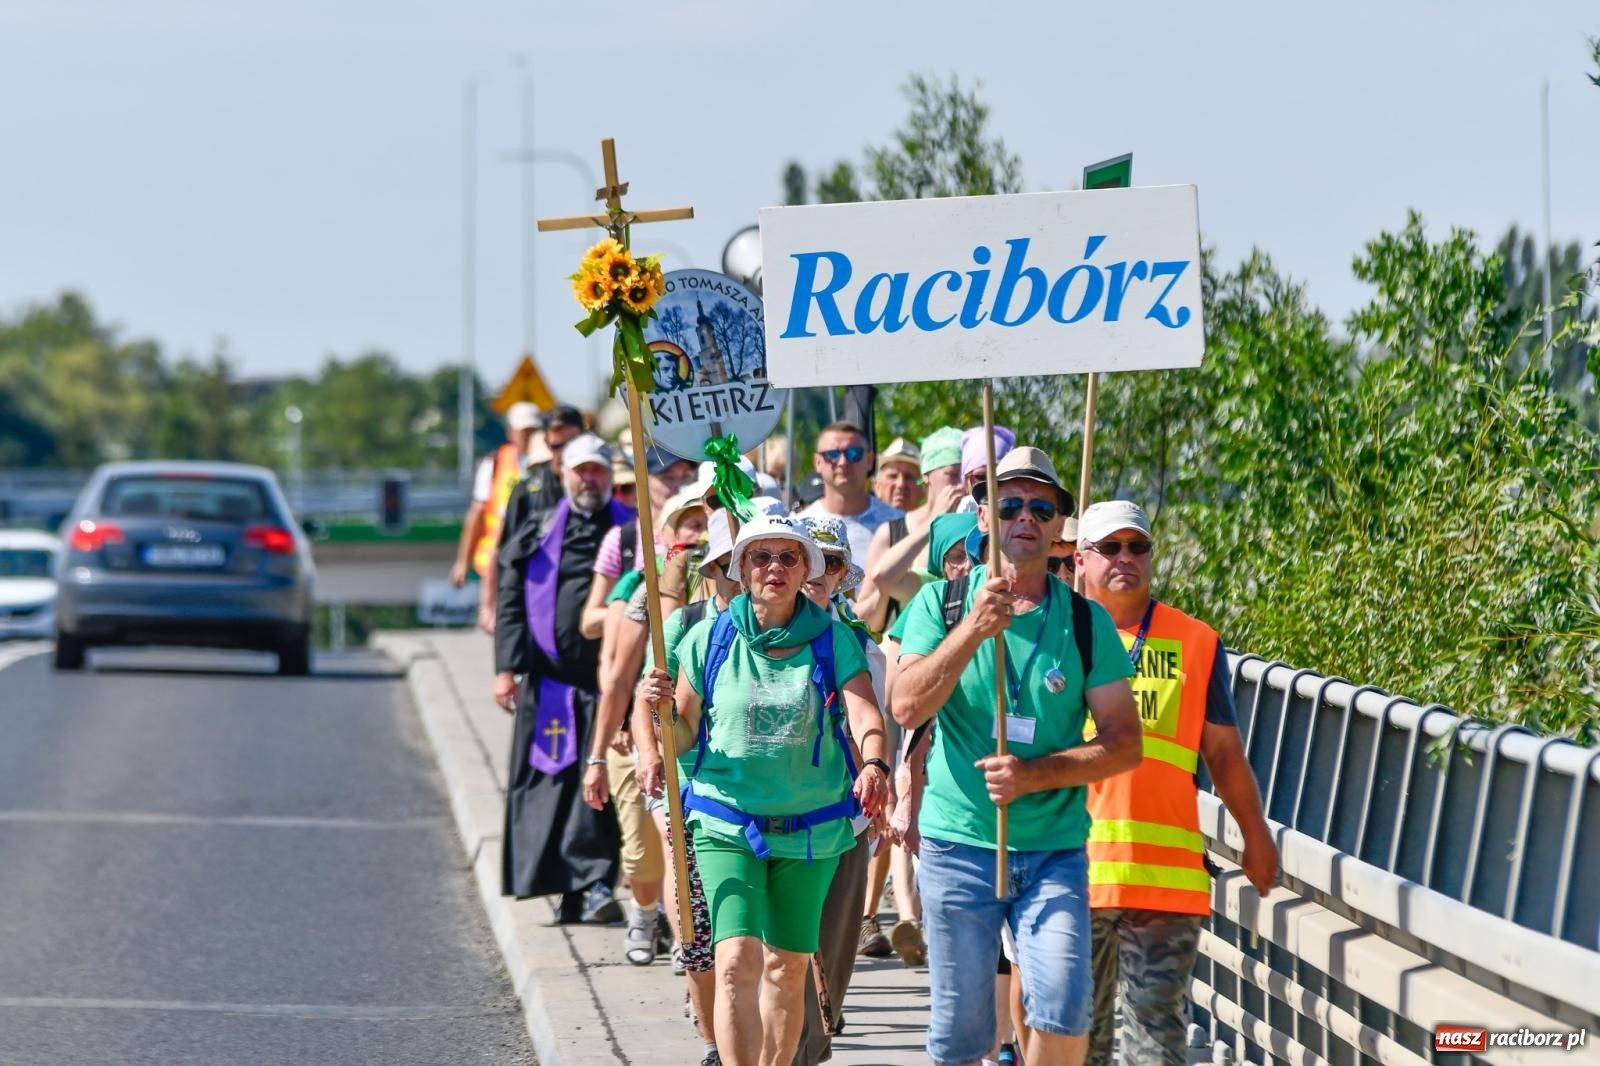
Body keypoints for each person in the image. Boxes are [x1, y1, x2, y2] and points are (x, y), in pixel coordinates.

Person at [893, 447, 1143, 1066]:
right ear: (984, 518)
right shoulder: (941, 606)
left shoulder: (1086, 624)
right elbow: (904, 705)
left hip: (1053, 847)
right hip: (958, 847)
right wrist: (974, 629)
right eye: (1008, 504)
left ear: (1061, 526)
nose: (1024, 517)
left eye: (1041, 506)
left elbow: (1123, 741)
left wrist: (1037, 774)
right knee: (962, 1035)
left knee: (1063, 1005)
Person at [635, 515, 890, 1066]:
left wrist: (874, 764)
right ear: (740, 568)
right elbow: (682, 737)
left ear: (806, 571)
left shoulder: (833, 638)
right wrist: (660, 714)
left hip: (811, 829)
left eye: (788, 557)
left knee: (787, 965)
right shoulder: (708, 638)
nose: (774, 567)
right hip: (727, 822)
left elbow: (866, 712)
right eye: (761, 556)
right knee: (735, 962)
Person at [1075, 501, 1278, 1066]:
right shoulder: (1058, 634)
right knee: (1078, 1038)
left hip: (1164, 880)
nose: (1125, 559)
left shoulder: (1195, 640)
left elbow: (1223, 752)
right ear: (1082, 560)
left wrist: (1255, 837)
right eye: (1109, 548)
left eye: (1137, 547)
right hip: (1072, 872)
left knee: (1157, 1038)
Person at [492, 432, 630, 921]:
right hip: (550, 685)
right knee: (552, 788)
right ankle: (563, 886)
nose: (590, 479)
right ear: (564, 476)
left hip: (610, 685)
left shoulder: (629, 532)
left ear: (610, 477)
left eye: (598, 471)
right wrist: (506, 669)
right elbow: (511, 601)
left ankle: (596, 883)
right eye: (582, 471)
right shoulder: (538, 529)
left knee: (600, 789)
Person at [582, 484, 709, 965]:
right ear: (670, 533)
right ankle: (644, 914)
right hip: (638, 732)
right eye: (690, 523)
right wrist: (598, 754)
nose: (699, 533)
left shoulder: (734, 580)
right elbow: (616, 676)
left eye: (707, 522)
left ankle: (688, 941)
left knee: (683, 845)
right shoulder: (645, 585)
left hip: (703, 741)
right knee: (642, 855)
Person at [792, 515, 886, 1065]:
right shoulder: (757, 634)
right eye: (809, 558)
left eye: (831, 562)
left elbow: (883, 726)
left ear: (844, 572)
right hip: (777, 821)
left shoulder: (857, 644)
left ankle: (812, 1046)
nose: (817, 573)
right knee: (783, 958)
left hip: (845, 820)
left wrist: (881, 786)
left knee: (834, 957)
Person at [858, 425, 966, 634]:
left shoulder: (976, 528)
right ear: (927, 476)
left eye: (968, 476)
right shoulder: (892, 532)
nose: (962, 484)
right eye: (953, 474)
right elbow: (863, 620)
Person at [451, 401, 538, 606]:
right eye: (524, 431)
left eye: (533, 430)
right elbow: (477, 514)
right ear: (511, 433)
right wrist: (463, 562)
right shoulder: (496, 463)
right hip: (498, 558)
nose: (528, 436)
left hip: (533, 557)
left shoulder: (548, 462)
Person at [801, 421, 902, 564]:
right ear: (817, 462)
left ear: (869, 460)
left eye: (854, 454)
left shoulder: (898, 524)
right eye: (832, 454)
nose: (842, 462)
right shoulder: (799, 527)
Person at [872, 436, 925, 515]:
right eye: (893, 476)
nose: (901, 484)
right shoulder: (858, 526)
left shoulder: (935, 526)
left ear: (923, 489)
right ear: (877, 487)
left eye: (909, 477)